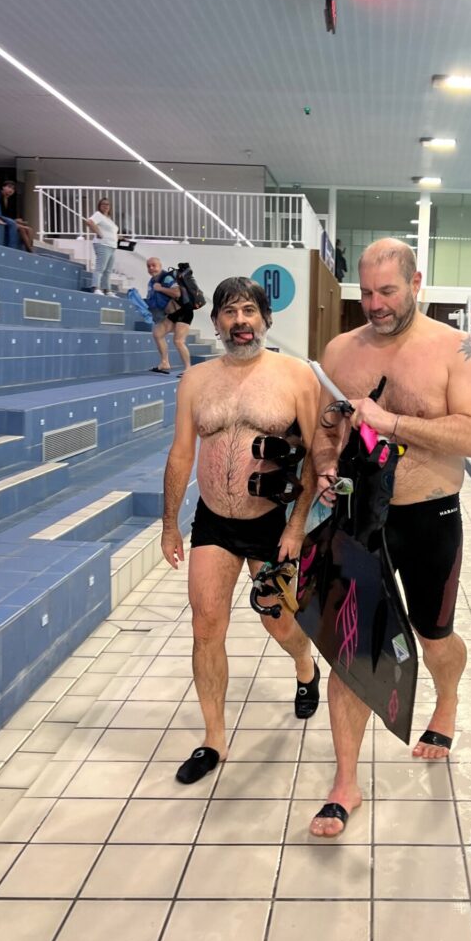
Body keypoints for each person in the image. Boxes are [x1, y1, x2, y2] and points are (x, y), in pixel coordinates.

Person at [308, 237, 471, 837]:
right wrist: (325, 465)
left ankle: (447, 700)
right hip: (359, 519)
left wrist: (391, 422)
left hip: (429, 517)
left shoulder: (459, 349)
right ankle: (345, 782)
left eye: (387, 291)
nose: (375, 304)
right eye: (365, 292)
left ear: (416, 284)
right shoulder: (341, 350)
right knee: (351, 651)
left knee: (433, 639)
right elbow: (325, 430)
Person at [161, 276, 321, 783]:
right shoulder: (196, 380)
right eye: (229, 312)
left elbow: (318, 456)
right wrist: (169, 525)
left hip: (272, 523)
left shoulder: (296, 376)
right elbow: (181, 453)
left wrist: (297, 526)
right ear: (215, 322)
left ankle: (305, 666)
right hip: (213, 522)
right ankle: (214, 739)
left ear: (266, 319)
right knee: (206, 627)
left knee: (280, 624)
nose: (240, 321)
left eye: (249, 310)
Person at [145, 257, 191, 374]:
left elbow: (177, 293)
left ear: (160, 266)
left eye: (154, 265)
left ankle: (188, 369)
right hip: (172, 313)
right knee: (157, 334)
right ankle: (165, 363)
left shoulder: (167, 277)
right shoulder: (152, 281)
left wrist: (160, 288)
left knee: (178, 341)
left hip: (184, 310)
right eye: (149, 266)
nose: (151, 268)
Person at [85, 197, 119, 293]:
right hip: (103, 244)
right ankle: (96, 287)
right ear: (99, 206)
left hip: (112, 246)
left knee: (108, 270)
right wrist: (98, 232)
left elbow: (112, 232)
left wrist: (121, 238)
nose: (106, 206)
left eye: (107, 204)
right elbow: (89, 222)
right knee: (100, 267)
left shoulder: (109, 219)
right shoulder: (98, 215)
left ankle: (107, 289)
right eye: (103, 204)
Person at [0, 180, 34, 252]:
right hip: (0, 219)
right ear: (3, 187)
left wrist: (17, 220)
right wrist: (15, 221)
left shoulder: (10, 200)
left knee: (29, 229)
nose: (11, 190)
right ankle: (29, 250)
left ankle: (30, 248)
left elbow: (8, 215)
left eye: (13, 189)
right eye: (9, 187)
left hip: (8, 220)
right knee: (21, 228)